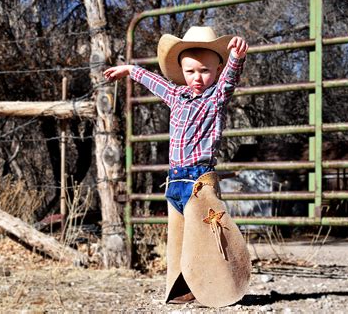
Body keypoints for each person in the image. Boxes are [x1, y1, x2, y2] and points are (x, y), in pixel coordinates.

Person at [104, 26, 252, 308]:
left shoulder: (216, 97)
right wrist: (129, 70)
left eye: (205, 71)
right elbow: (152, 80)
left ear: (217, 70)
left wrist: (236, 57)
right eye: (191, 71)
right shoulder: (175, 95)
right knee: (179, 238)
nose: (198, 78)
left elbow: (230, 79)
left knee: (208, 237)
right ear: (182, 71)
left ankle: (218, 288)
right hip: (175, 180)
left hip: (200, 180)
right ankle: (181, 289)